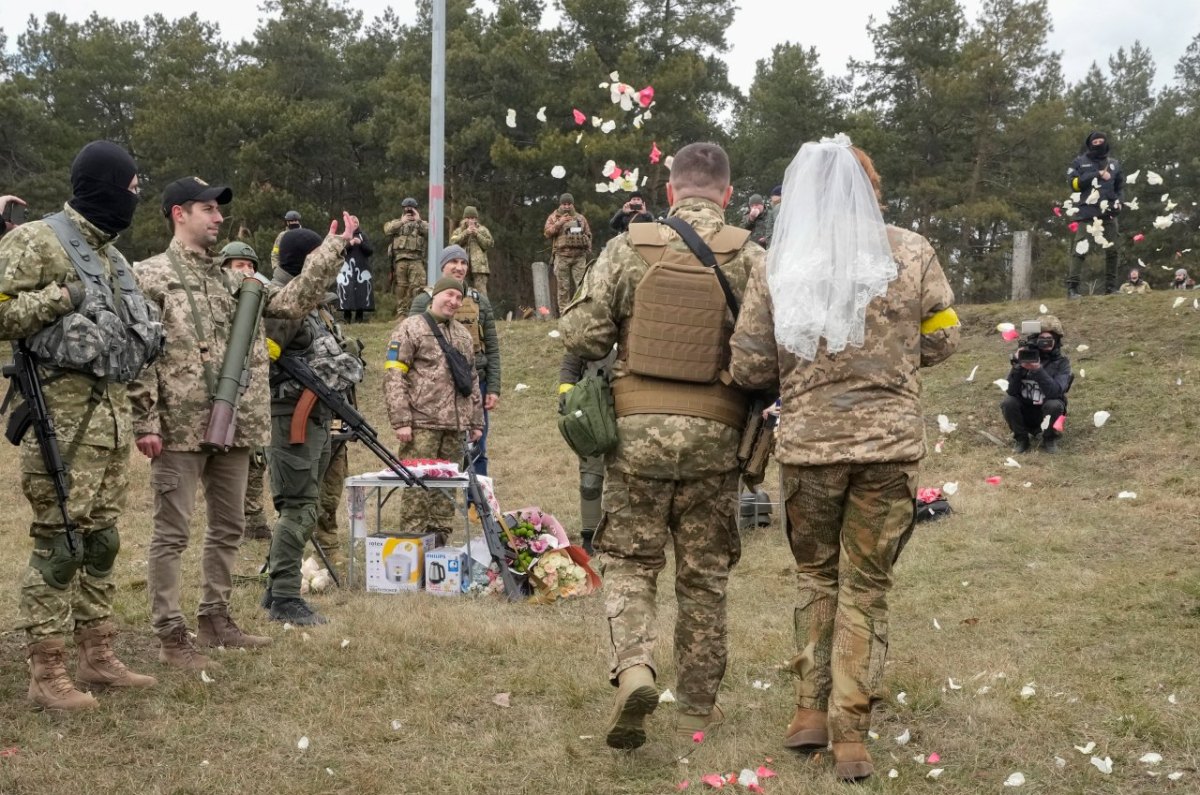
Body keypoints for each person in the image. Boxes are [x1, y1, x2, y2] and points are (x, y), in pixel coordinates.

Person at [729, 135, 960, 781]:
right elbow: (945, 336)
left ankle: (809, 712)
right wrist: (898, 355)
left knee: (817, 577)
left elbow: (747, 363)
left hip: (809, 450)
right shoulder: (910, 251)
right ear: (871, 187)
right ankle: (851, 735)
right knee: (867, 585)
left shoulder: (778, 263)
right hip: (889, 447)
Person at [561, 141, 762, 749]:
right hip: (717, 438)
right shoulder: (753, 257)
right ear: (727, 195)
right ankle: (697, 709)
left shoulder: (629, 247)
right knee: (703, 577)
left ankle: (636, 671)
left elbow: (583, 335)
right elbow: (770, 355)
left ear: (670, 191)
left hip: (637, 436)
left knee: (629, 563)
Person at [130, 176, 359, 667]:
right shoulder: (147, 276)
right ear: (178, 213)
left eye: (218, 210)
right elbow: (141, 356)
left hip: (233, 425)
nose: (218, 218)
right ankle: (172, 635)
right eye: (208, 209)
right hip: (178, 426)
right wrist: (146, 420)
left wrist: (332, 249)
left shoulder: (235, 281)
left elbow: (292, 302)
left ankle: (215, 619)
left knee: (229, 525)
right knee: (172, 531)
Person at [0, 141, 162, 710]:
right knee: (59, 545)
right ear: (104, 184)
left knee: (101, 541)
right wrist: (62, 295)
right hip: (61, 427)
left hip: (111, 424)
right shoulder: (36, 241)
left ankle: (97, 654)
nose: (135, 197)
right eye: (132, 187)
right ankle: (46, 672)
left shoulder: (114, 258)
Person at [260, 228, 365, 624]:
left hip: (314, 417)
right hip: (291, 419)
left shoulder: (314, 304)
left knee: (308, 503)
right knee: (298, 507)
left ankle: (275, 589)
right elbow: (264, 363)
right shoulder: (282, 305)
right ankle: (285, 596)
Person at [384, 277, 484, 537]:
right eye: (449, 295)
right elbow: (394, 376)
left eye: (458, 297)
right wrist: (401, 420)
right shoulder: (410, 328)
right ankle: (412, 550)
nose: (453, 301)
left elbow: (471, 379)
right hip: (421, 426)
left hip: (455, 427)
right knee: (417, 492)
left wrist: (476, 421)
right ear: (435, 295)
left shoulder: (462, 334)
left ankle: (438, 552)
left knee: (445, 494)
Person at [410, 245, 500, 475]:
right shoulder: (423, 301)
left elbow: (492, 347)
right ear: (443, 266)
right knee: (436, 452)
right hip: (434, 389)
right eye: (454, 262)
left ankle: (475, 506)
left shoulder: (480, 302)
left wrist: (494, 388)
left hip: (473, 385)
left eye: (464, 263)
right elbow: (410, 345)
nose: (459, 268)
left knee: (477, 447)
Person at [217, 242, 273, 542]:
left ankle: (254, 517)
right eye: (240, 266)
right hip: (224, 395)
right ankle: (230, 520)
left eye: (251, 266)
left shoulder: (260, 301)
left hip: (255, 396)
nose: (248, 271)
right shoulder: (216, 302)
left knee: (257, 458)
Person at [557, 349, 616, 554]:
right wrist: (567, 393)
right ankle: (590, 534)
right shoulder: (595, 325)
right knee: (590, 481)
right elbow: (571, 361)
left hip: (633, 406)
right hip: (594, 405)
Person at [1001, 315, 1072, 454]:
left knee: (1055, 404)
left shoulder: (1062, 363)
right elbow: (1010, 390)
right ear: (1035, 340)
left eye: (1050, 339)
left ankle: (1049, 438)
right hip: (1025, 410)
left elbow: (1056, 392)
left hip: (1046, 411)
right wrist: (1018, 366)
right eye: (1042, 339)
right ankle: (1021, 439)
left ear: (1057, 341)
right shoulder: (1025, 357)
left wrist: (1037, 369)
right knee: (1008, 402)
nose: (1046, 343)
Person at [1066, 130, 1124, 298]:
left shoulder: (1114, 164)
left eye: (1101, 141)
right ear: (1090, 144)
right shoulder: (1079, 162)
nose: (1098, 144)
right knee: (1079, 250)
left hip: (1109, 213)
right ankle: (1072, 289)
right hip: (1087, 213)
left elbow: (1120, 186)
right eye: (1095, 142)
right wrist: (1096, 174)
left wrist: (1119, 201)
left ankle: (1111, 288)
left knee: (1113, 251)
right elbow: (1074, 185)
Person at [544, 193, 593, 313]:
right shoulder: (553, 217)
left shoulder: (580, 218)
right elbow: (547, 233)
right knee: (563, 288)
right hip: (562, 257)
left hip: (579, 257)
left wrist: (588, 248)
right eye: (564, 204)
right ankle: (564, 313)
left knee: (582, 287)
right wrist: (559, 222)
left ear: (572, 204)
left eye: (569, 204)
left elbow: (588, 234)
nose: (567, 206)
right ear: (561, 204)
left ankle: (582, 312)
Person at [383, 198, 429, 317]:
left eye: (411, 209)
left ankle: (417, 312)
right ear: (403, 210)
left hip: (417, 260)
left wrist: (419, 221)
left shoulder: (421, 224)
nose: (409, 212)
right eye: (406, 209)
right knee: (401, 287)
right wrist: (401, 222)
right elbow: (387, 229)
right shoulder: (397, 223)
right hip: (400, 260)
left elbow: (432, 232)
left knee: (418, 286)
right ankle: (402, 314)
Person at [448, 206, 494, 296]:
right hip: (462, 267)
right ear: (464, 219)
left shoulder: (483, 230)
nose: (470, 220)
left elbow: (489, 244)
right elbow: (452, 243)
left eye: (472, 218)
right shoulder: (458, 231)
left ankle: (482, 310)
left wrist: (477, 234)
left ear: (476, 219)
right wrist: (466, 233)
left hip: (479, 268)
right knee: (462, 291)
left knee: (481, 294)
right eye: (468, 218)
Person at [337, 227, 374, 323]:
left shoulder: (363, 236)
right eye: (352, 222)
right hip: (346, 269)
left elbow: (370, 251)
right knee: (347, 292)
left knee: (361, 292)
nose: (354, 224)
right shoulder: (344, 236)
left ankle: (359, 318)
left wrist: (361, 243)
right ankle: (347, 318)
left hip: (361, 268)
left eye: (355, 222)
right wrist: (350, 243)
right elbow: (339, 251)